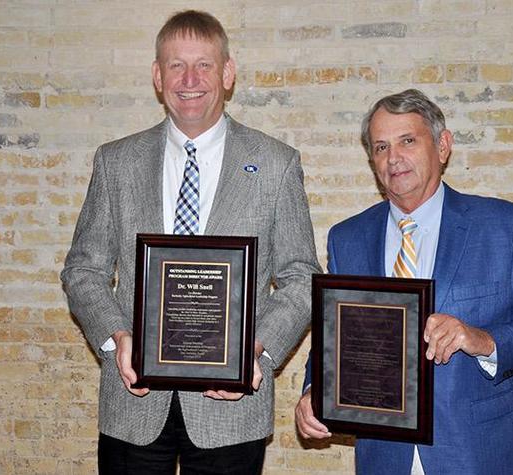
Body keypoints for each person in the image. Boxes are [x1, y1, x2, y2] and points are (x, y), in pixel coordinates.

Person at [61, 10, 321, 474]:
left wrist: (254, 353)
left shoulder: (276, 164)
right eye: (176, 65)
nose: (190, 79)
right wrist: (117, 337)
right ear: (158, 77)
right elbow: (84, 270)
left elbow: (302, 277)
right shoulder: (115, 162)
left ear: (227, 72)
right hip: (132, 404)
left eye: (203, 64)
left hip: (231, 410)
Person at [294, 89, 513, 474]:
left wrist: (482, 339)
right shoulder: (349, 238)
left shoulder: (504, 227)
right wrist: (314, 392)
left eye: (407, 140)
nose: (393, 158)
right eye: (380, 147)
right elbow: (336, 338)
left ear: (443, 146)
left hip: (478, 456)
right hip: (383, 457)